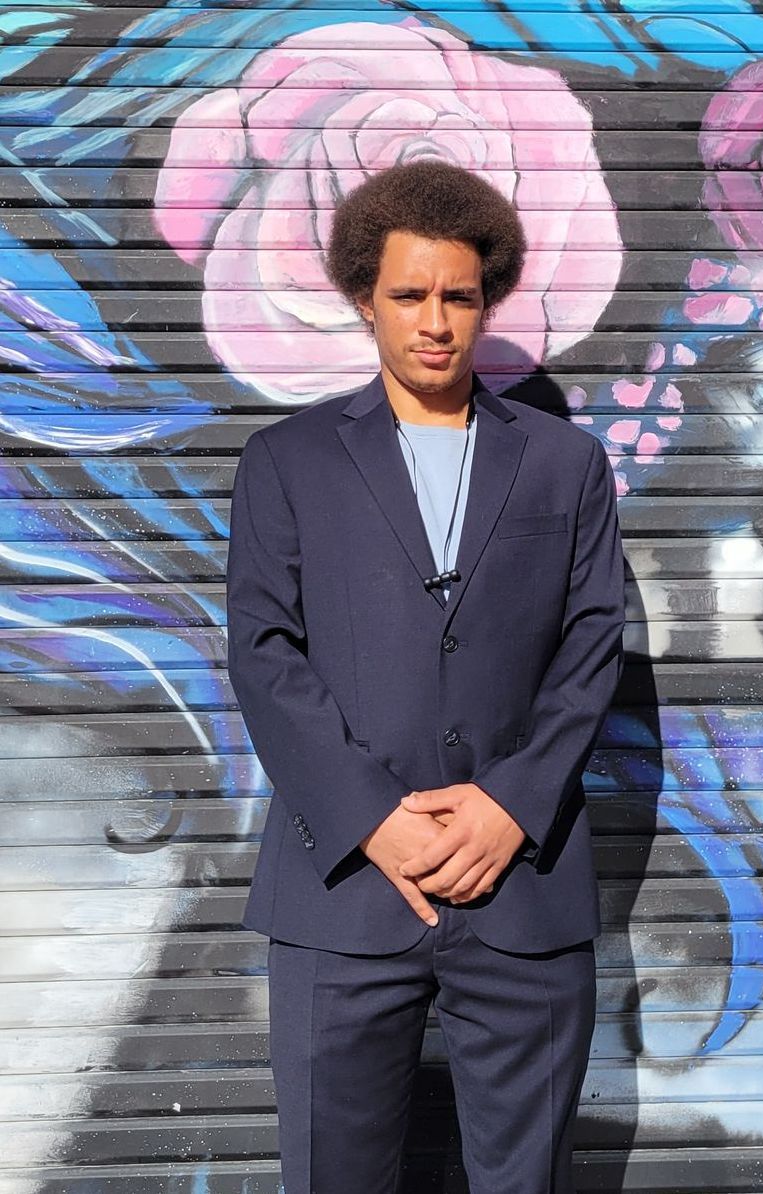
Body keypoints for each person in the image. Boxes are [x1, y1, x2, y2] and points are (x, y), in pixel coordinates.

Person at [226, 159, 626, 1194]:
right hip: (344, 892)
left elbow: (590, 646)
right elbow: (265, 655)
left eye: (458, 295)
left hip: (521, 890)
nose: (436, 321)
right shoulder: (288, 461)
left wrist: (511, 804)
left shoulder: (562, 464)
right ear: (366, 298)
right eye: (409, 295)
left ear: (486, 296)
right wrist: (373, 817)